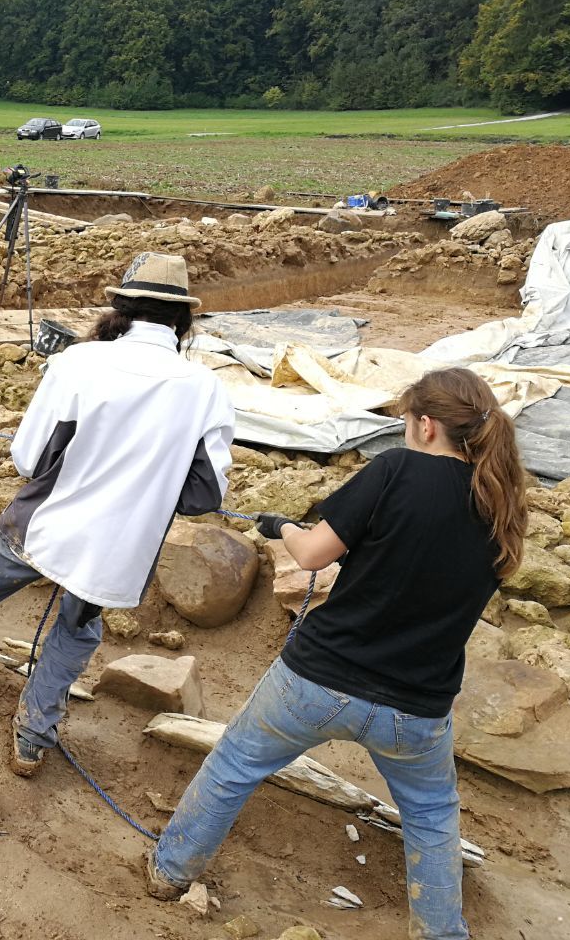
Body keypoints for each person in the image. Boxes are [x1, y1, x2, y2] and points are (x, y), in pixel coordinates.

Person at [146, 367, 527, 940]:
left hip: (318, 680)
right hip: (416, 708)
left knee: (235, 765)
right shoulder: (502, 507)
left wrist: (283, 528)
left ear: (426, 425)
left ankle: (170, 872)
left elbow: (315, 553)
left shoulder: (399, 468)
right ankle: (441, 932)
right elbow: (430, 570)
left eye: (403, 422)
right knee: (431, 817)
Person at [0, 254, 234, 775]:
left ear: (118, 309)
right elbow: (203, 494)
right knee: (76, 630)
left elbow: (28, 458)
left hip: (46, 523)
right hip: (120, 545)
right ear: (182, 321)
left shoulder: (79, 362)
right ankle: (33, 733)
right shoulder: (205, 388)